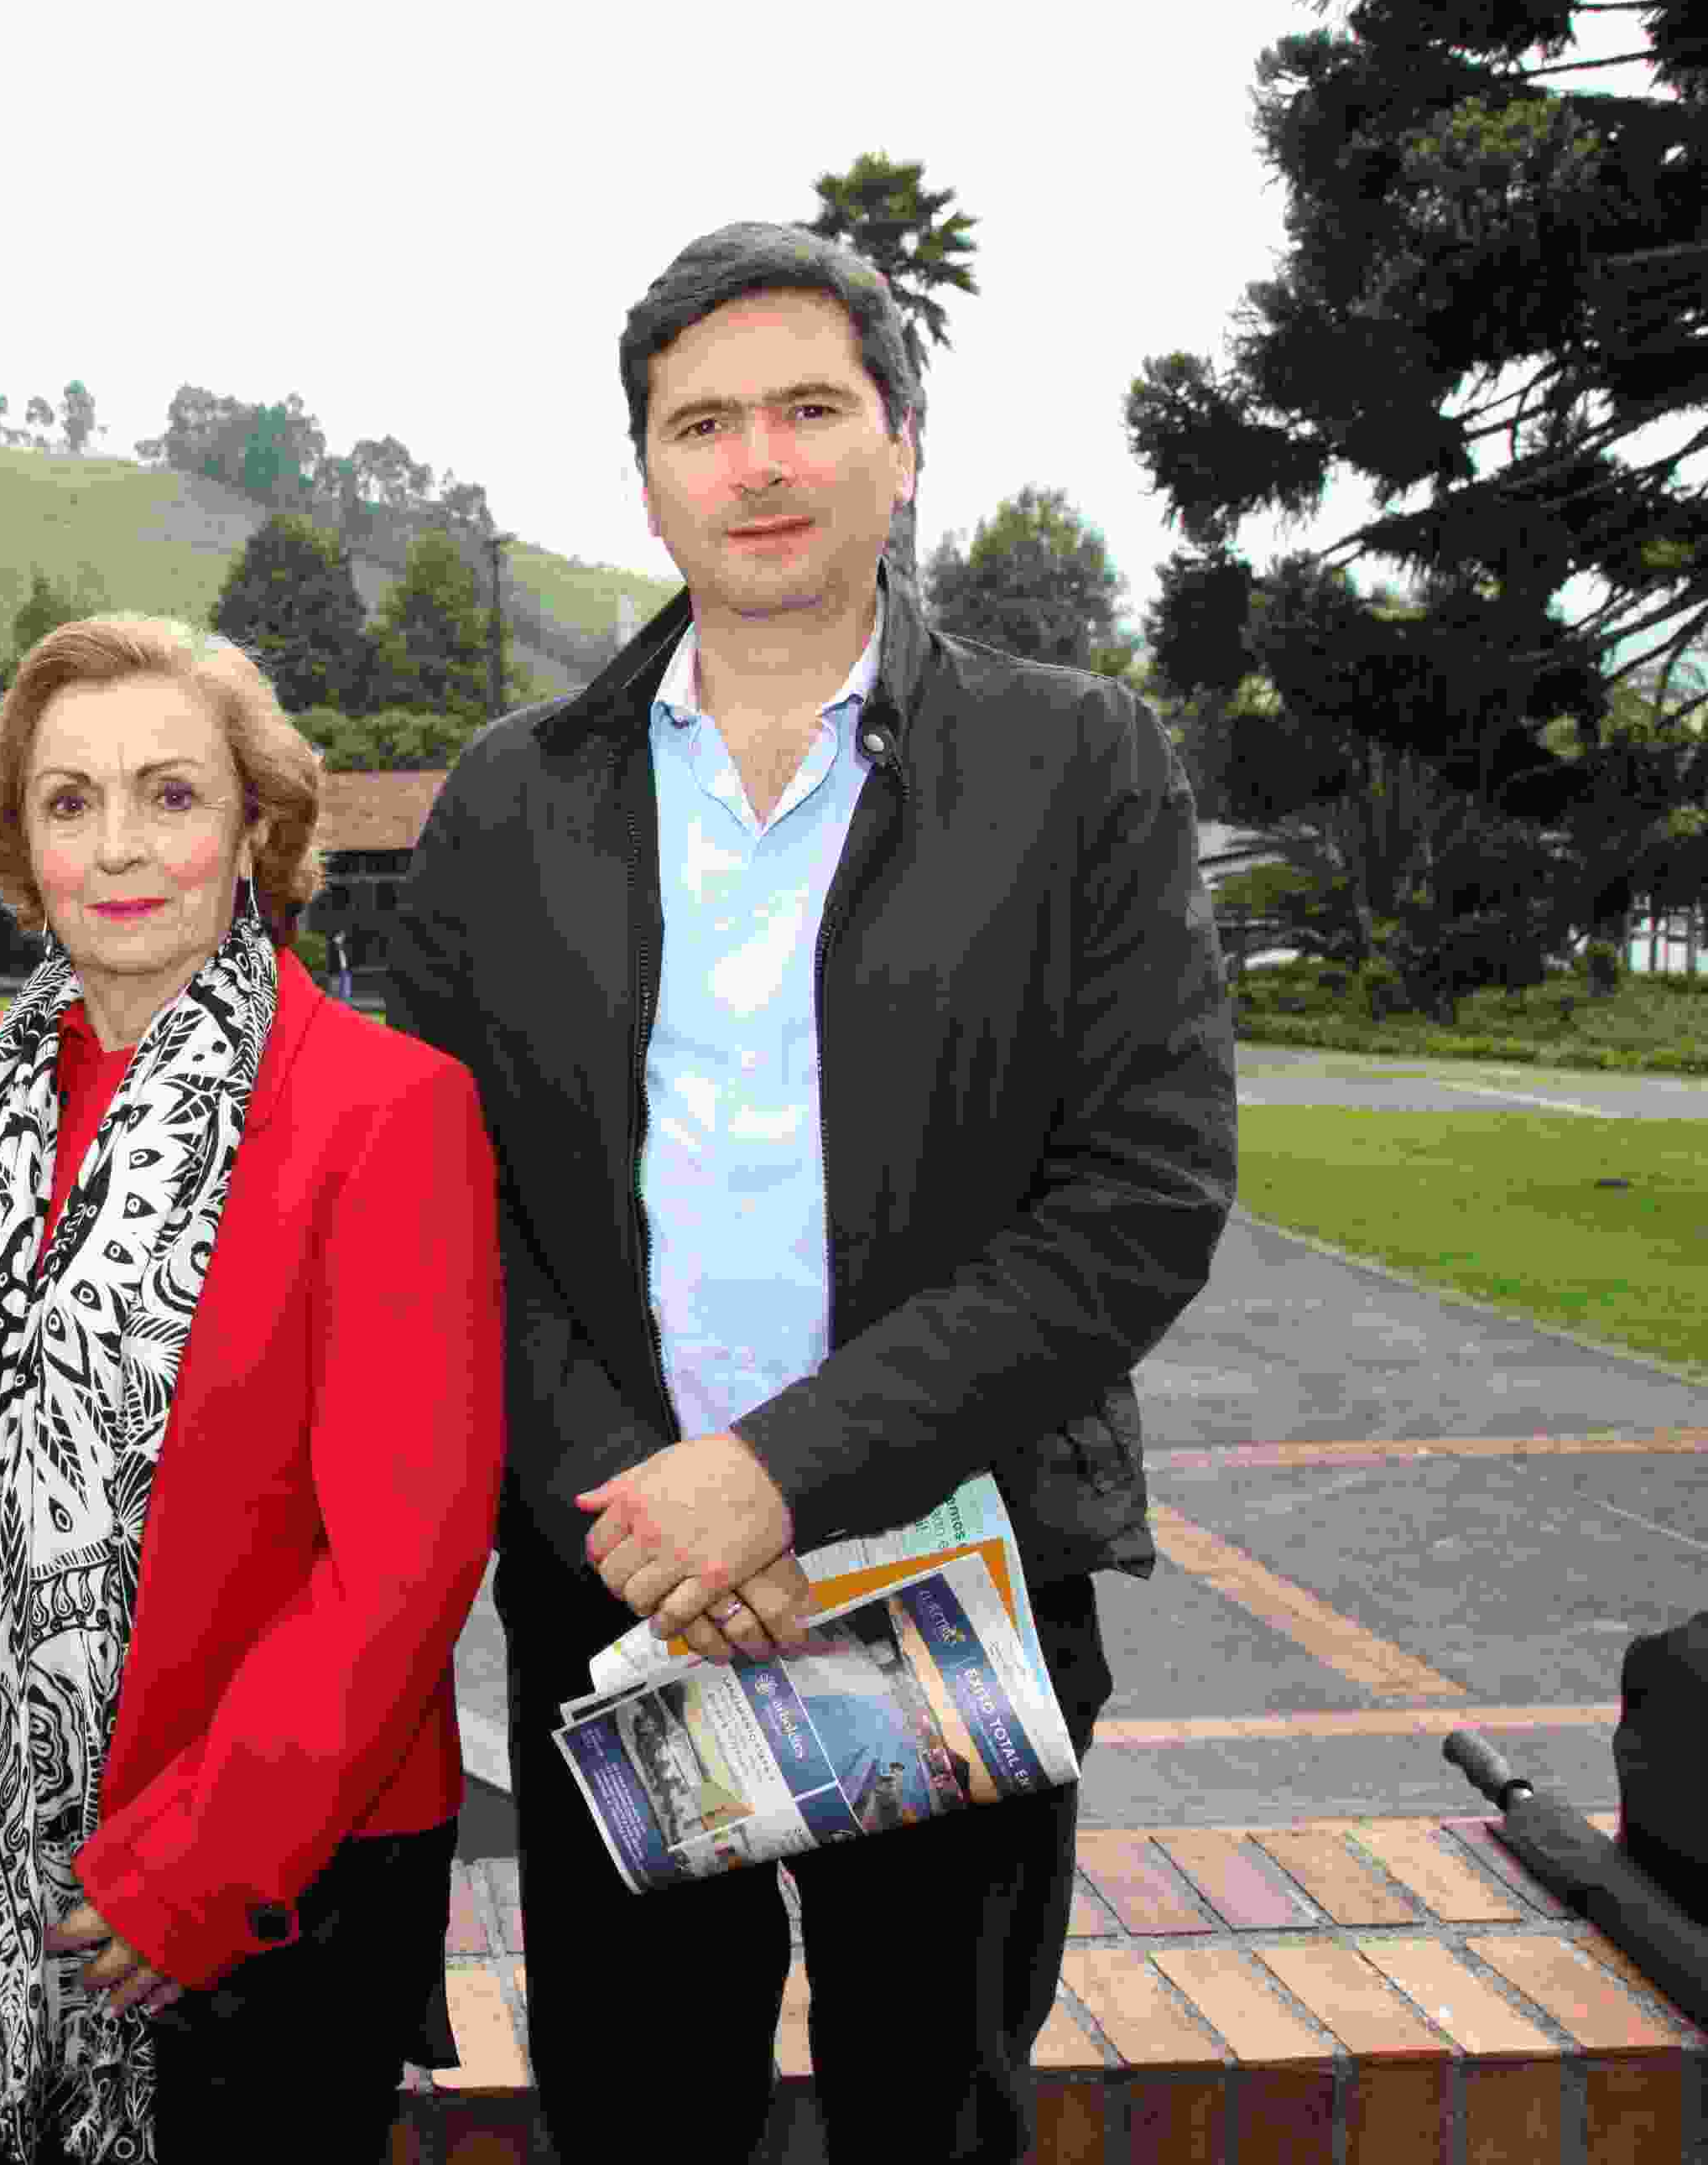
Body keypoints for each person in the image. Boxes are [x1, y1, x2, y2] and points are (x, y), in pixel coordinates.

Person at [388, 221, 1237, 2162]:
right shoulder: (511, 800)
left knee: (928, 2107)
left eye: (807, 409)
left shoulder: (1075, 761)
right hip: (627, 1588)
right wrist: (642, 1502)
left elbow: (1142, 1197)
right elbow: (446, 1212)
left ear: (901, 442)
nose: (757, 462)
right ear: (650, 475)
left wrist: (777, 1475)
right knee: (637, 2105)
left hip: (943, 1568)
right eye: (704, 423)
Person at [0, 615, 508, 2162]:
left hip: (275, 1879)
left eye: (171, 795)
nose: (121, 848)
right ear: (23, 845)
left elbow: (403, 1562)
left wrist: (198, 1867)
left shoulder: (388, 1109)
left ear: (254, 828)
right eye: (71, 803)